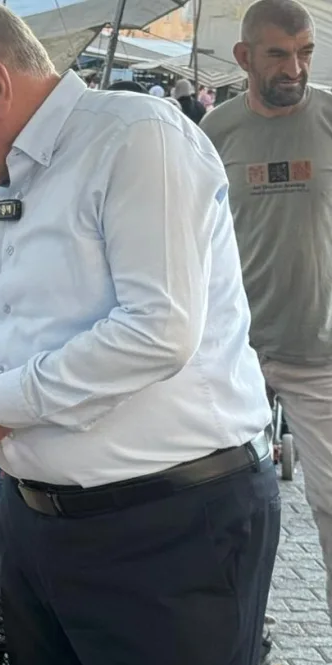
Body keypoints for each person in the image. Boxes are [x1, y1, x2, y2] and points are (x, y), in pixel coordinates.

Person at [0, 2, 278, 665]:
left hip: (167, 528)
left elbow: (158, 329)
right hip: (44, 529)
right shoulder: (10, 178)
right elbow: (28, 331)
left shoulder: (136, 138)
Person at [202, 0, 332, 620]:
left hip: (320, 349)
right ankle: (232, 633)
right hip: (234, 351)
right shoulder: (213, 131)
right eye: (279, 54)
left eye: (305, 52)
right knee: (222, 506)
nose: (295, 68)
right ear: (244, 57)